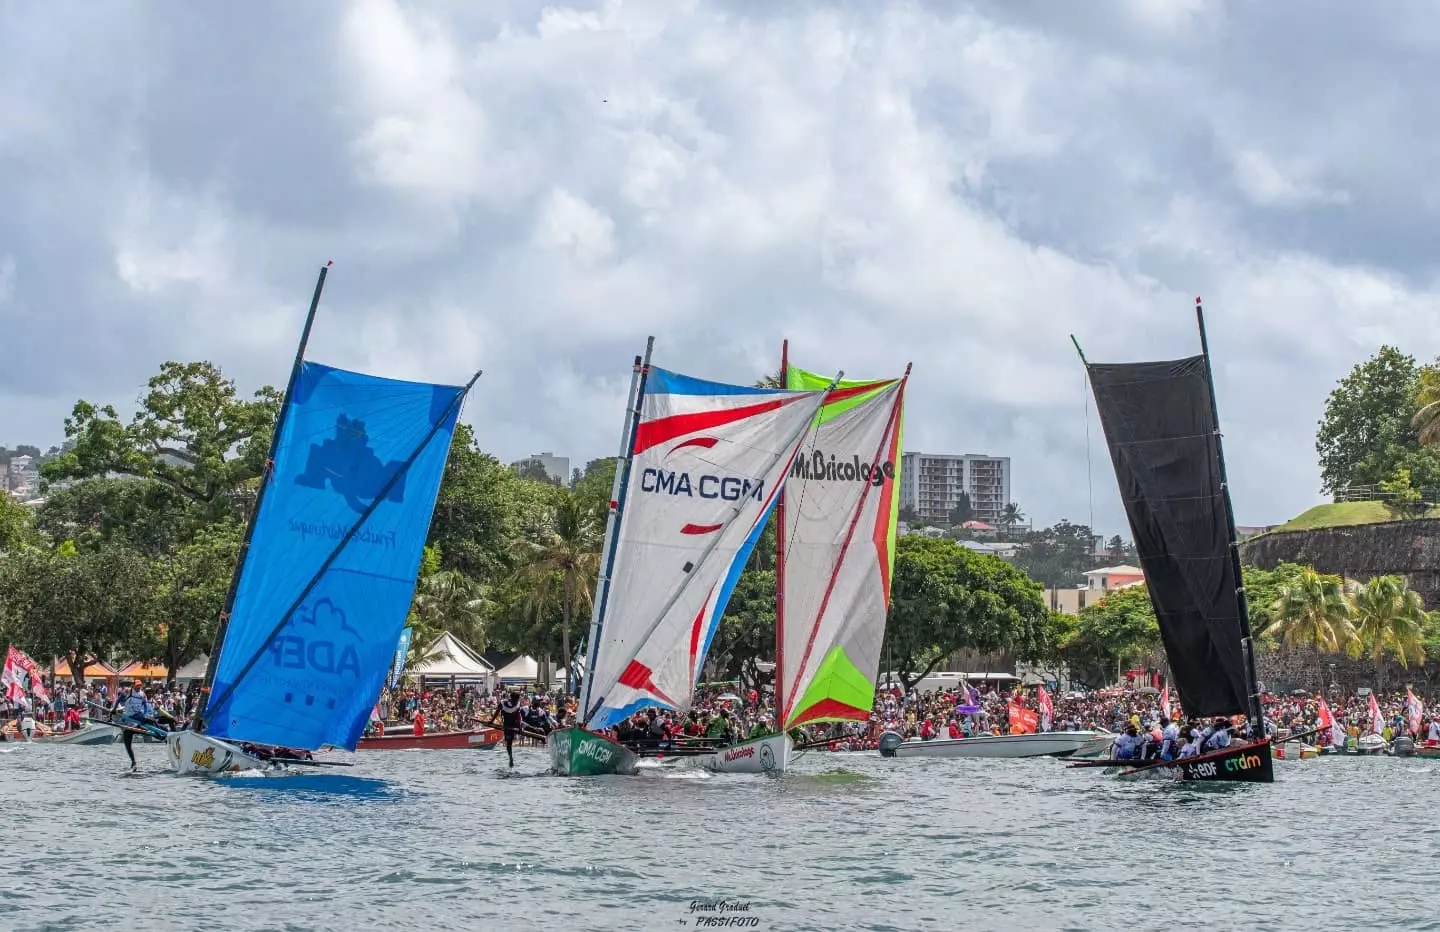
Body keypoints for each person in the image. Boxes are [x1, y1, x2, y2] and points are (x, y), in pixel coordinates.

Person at [497, 691, 523, 768]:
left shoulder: (518, 704)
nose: (516, 701)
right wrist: (491, 721)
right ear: (511, 699)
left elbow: (518, 717)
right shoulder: (503, 703)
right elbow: (496, 712)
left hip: (515, 724)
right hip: (507, 725)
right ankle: (510, 758)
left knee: (525, 725)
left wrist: (520, 727)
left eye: (517, 700)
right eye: (515, 700)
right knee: (509, 743)